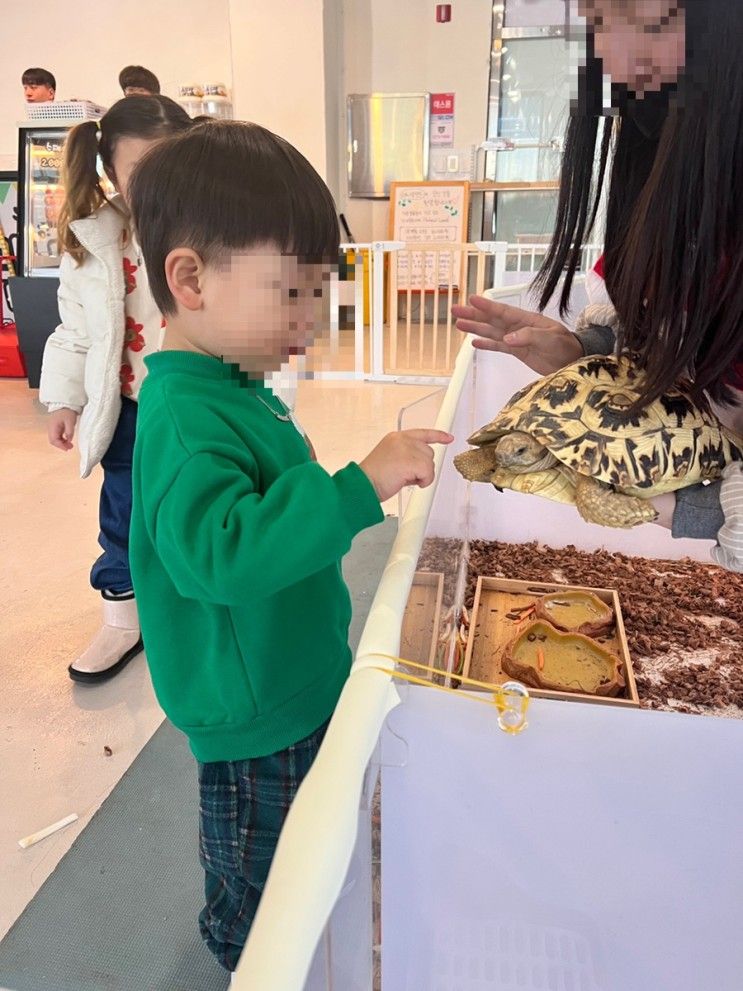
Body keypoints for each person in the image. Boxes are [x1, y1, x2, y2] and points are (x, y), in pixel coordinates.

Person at [126, 120, 452, 972]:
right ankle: (253, 963)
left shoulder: (231, 386)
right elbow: (222, 556)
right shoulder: (185, 422)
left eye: (318, 293)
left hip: (296, 676)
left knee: (321, 835)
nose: (311, 320)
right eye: (290, 293)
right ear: (189, 279)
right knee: (262, 879)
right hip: (253, 717)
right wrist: (354, 486)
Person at [453, 0, 743, 572]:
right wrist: (585, 352)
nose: (613, 56)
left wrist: (663, 505)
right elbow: (678, 339)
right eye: (599, 23)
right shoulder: (662, 152)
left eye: (654, 24)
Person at [38, 96, 194, 683]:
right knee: (124, 513)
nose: (158, 186)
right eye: (140, 173)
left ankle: (195, 601)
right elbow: (75, 330)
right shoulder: (93, 243)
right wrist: (64, 398)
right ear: (109, 172)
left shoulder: (211, 226)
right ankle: (123, 621)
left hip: (198, 405)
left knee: (199, 502)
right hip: (129, 410)